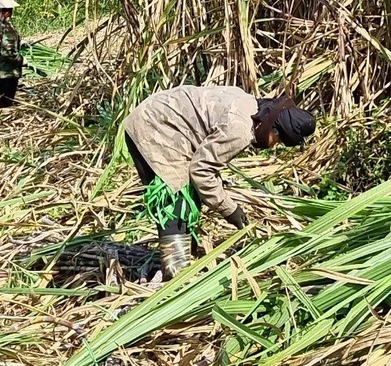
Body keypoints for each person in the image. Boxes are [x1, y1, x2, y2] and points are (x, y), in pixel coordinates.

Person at [120, 86, 316, 278]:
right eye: (277, 140)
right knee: (176, 200)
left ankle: (187, 258)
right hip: (156, 126)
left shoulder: (248, 104)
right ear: (274, 128)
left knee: (191, 196)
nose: (273, 145)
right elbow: (201, 171)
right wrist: (229, 209)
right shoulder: (240, 130)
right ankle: (176, 276)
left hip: (159, 117)